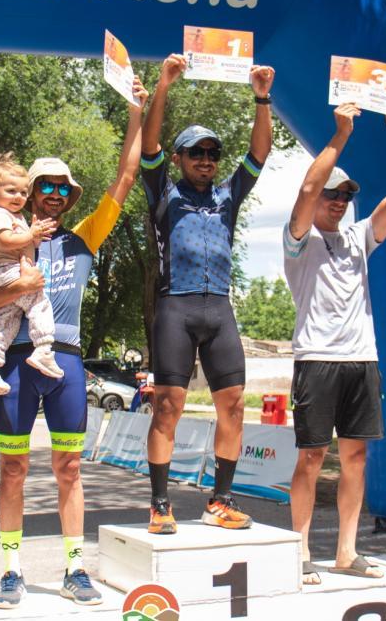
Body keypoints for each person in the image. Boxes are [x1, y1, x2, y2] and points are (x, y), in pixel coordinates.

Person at [0, 79, 149, 609]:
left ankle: (74, 568)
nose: (54, 194)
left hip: (64, 362)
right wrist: (19, 285)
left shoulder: (83, 237)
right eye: (45, 185)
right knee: (13, 468)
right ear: (30, 191)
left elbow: (127, 176)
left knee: (69, 468)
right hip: (16, 363)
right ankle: (11, 571)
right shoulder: (5, 241)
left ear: (71, 198)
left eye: (63, 189)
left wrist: (136, 112)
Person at [141, 53, 275, 535]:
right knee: (168, 405)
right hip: (175, 306)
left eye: (212, 153)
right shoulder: (163, 191)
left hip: (219, 307)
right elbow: (149, 143)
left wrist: (262, 98)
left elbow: (259, 153)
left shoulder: (227, 195)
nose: (205, 160)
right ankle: (160, 504)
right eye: (195, 152)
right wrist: (163, 85)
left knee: (234, 404)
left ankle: (221, 500)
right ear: (178, 159)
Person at [284, 103, 386, 584]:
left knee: (356, 459)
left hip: (362, 360)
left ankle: (346, 552)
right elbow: (307, 189)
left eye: (345, 195)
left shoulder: (359, 237)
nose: (338, 201)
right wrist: (340, 134)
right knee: (312, 458)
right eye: (332, 194)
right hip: (317, 360)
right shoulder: (298, 239)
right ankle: (300, 552)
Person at [0, 153, 60, 395]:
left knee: (5, 319)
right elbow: (7, 240)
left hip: (6, 273)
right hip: (4, 270)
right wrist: (31, 234)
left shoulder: (16, 217)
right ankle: (44, 347)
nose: (18, 197)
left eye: (23, 192)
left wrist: (34, 236)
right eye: (11, 191)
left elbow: (23, 243)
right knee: (39, 301)